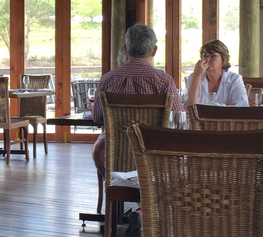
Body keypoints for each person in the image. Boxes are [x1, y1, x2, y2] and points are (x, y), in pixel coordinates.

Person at [90, 24, 184, 172]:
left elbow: (97, 118)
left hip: (116, 146)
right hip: (154, 147)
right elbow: (179, 120)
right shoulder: (164, 81)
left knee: (101, 146)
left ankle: (115, 185)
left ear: (126, 49)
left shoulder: (107, 79)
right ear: (154, 51)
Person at [183, 39, 248, 107]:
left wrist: (214, 110)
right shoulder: (194, 77)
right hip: (199, 118)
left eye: (213, 56)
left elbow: (242, 106)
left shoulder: (234, 79)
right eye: (205, 56)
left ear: (224, 59)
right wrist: (196, 76)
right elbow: (188, 108)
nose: (208, 60)